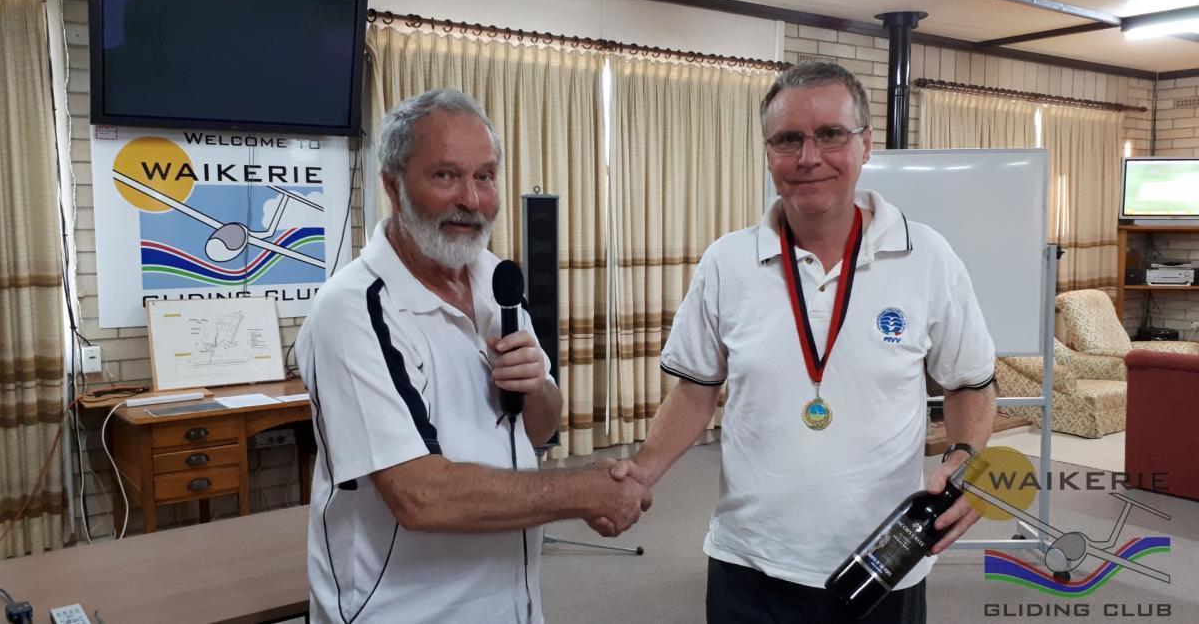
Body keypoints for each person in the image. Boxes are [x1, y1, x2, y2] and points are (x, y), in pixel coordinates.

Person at [607, 61, 998, 623]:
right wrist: (642, 471)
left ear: (866, 144)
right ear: (769, 154)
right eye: (788, 139)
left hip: (885, 563)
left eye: (831, 134)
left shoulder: (928, 257)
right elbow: (695, 391)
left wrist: (966, 460)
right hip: (750, 564)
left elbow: (971, 384)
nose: (809, 157)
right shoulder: (727, 262)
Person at [296, 88, 647, 624]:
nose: (472, 199)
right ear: (393, 186)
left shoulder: (494, 279)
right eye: (445, 176)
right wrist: (584, 491)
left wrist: (537, 387)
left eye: (485, 176)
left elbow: (537, 430)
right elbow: (420, 495)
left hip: (512, 603)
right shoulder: (353, 310)